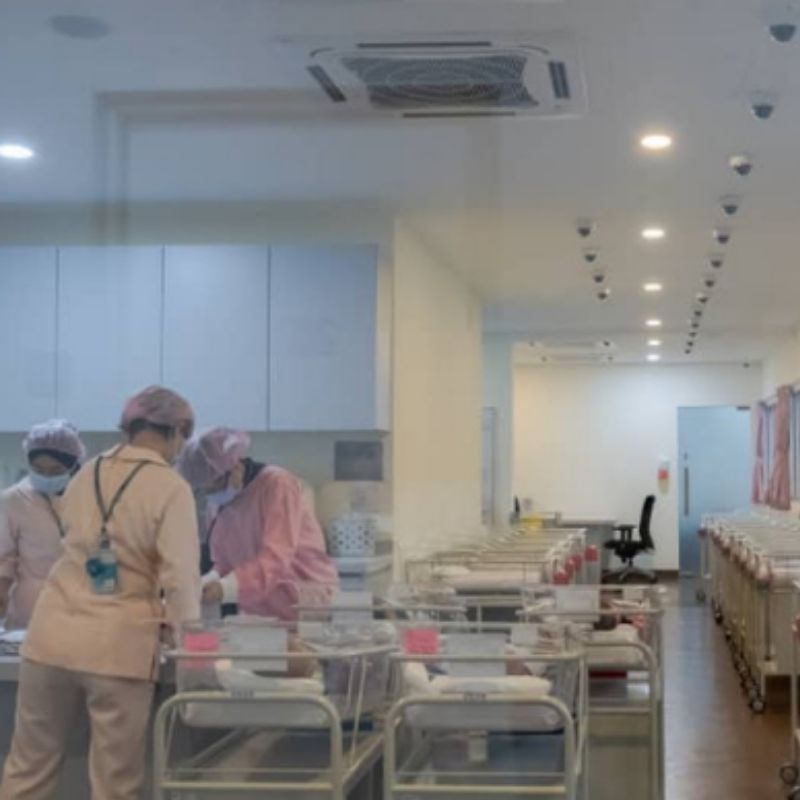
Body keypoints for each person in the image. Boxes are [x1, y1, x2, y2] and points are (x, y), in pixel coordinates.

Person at [0, 386, 201, 800]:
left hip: (48, 640)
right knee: (114, 782)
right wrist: (194, 653)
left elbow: (75, 542)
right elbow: (181, 581)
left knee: (27, 769)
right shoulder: (170, 487)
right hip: (117, 648)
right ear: (177, 431)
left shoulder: (87, 471)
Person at [179, 427, 339, 620]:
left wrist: (225, 588)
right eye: (203, 490)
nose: (211, 494)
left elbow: (276, 557)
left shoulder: (277, 485)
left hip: (304, 603)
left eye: (214, 484)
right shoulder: (220, 503)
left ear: (234, 466)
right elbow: (225, 563)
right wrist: (205, 583)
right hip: (260, 610)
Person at [0, 420, 86, 630]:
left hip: (82, 603)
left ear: (74, 466)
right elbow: (4, 558)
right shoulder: (14, 500)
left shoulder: (90, 497)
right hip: (30, 607)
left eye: (56, 470)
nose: (46, 476)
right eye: (38, 469)